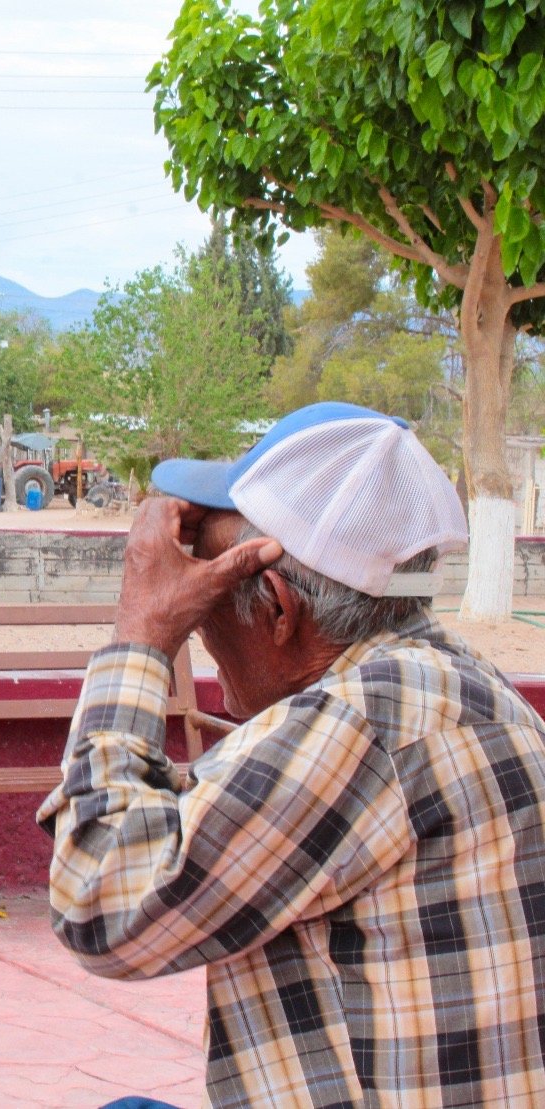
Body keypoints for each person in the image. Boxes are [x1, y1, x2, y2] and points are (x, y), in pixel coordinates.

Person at [38, 401, 545, 1108]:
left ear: (278, 606)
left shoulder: (360, 724)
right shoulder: (470, 686)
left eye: (207, 597)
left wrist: (142, 633)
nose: (199, 630)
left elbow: (97, 903)